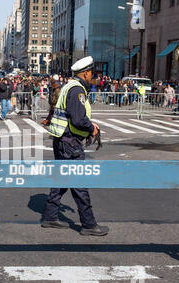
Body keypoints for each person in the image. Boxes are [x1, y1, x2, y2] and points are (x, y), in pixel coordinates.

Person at [43, 56, 109, 237]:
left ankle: (50, 216)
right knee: (79, 182)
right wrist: (92, 128)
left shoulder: (68, 86)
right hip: (70, 142)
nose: (92, 76)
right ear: (86, 73)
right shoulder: (77, 89)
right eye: (91, 73)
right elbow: (78, 119)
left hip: (62, 140)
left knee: (61, 179)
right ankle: (88, 224)